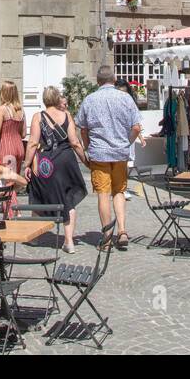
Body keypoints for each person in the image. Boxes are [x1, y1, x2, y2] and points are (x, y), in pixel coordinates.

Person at [76, 65, 143, 250]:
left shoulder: (90, 100)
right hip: (120, 153)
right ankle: (122, 230)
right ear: (114, 80)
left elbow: (82, 128)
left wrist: (88, 146)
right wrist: (127, 143)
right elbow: (136, 127)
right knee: (119, 191)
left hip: (99, 153)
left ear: (98, 81)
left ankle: (106, 237)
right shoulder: (126, 98)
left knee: (103, 194)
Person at [24, 85, 88, 253]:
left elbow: (32, 143)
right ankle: (69, 242)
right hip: (67, 160)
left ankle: (35, 237)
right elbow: (75, 142)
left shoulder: (38, 117)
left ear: (44, 100)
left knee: (38, 195)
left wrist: (26, 164)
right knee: (68, 198)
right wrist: (85, 160)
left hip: (47, 163)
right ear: (57, 98)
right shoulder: (66, 115)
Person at [0, 80, 26, 175]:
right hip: (20, 147)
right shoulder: (21, 110)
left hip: (7, 148)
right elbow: (23, 134)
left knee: (7, 182)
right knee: (15, 180)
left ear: (4, 93)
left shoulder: (2, 109)